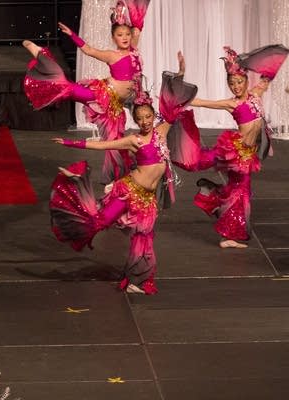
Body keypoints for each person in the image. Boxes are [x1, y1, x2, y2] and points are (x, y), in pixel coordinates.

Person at [49, 67, 196, 295]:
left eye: (148, 117)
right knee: (99, 223)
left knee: (144, 238)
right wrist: (71, 143)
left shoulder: (161, 132)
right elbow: (101, 145)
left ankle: (139, 279)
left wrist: (179, 75)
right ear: (135, 120)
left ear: (153, 116)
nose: (145, 121)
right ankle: (75, 189)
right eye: (140, 118)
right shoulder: (133, 140)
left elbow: (176, 106)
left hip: (147, 199)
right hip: (127, 191)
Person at [24, 0, 150, 182]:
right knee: (65, 87)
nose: (124, 37)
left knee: (117, 142)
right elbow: (89, 50)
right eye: (120, 34)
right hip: (104, 95)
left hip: (124, 102)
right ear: (114, 38)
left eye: (127, 34)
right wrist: (72, 35)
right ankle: (40, 55)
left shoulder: (134, 50)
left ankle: (123, 176)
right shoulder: (111, 55)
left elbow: (138, 25)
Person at [183, 45, 289, 248]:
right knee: (241, 191)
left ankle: (212, 200)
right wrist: (181, 98)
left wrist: (278, 57)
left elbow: (267, 78)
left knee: (237, 190)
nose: (236, 87)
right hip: (237, 152)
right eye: (232, 84)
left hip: (249, 152)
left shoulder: (256, 94)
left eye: (240, 82)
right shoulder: (232, 103)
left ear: (247, 81)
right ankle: (226, 228)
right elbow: (205, 103)